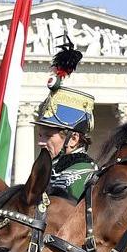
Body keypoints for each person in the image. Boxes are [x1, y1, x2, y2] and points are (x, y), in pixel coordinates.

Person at [34, 37, 98, 200]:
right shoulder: (51, 169)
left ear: (73, 139)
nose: (40, 142)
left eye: (48, 135)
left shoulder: (82, 171)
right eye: (40, 135)